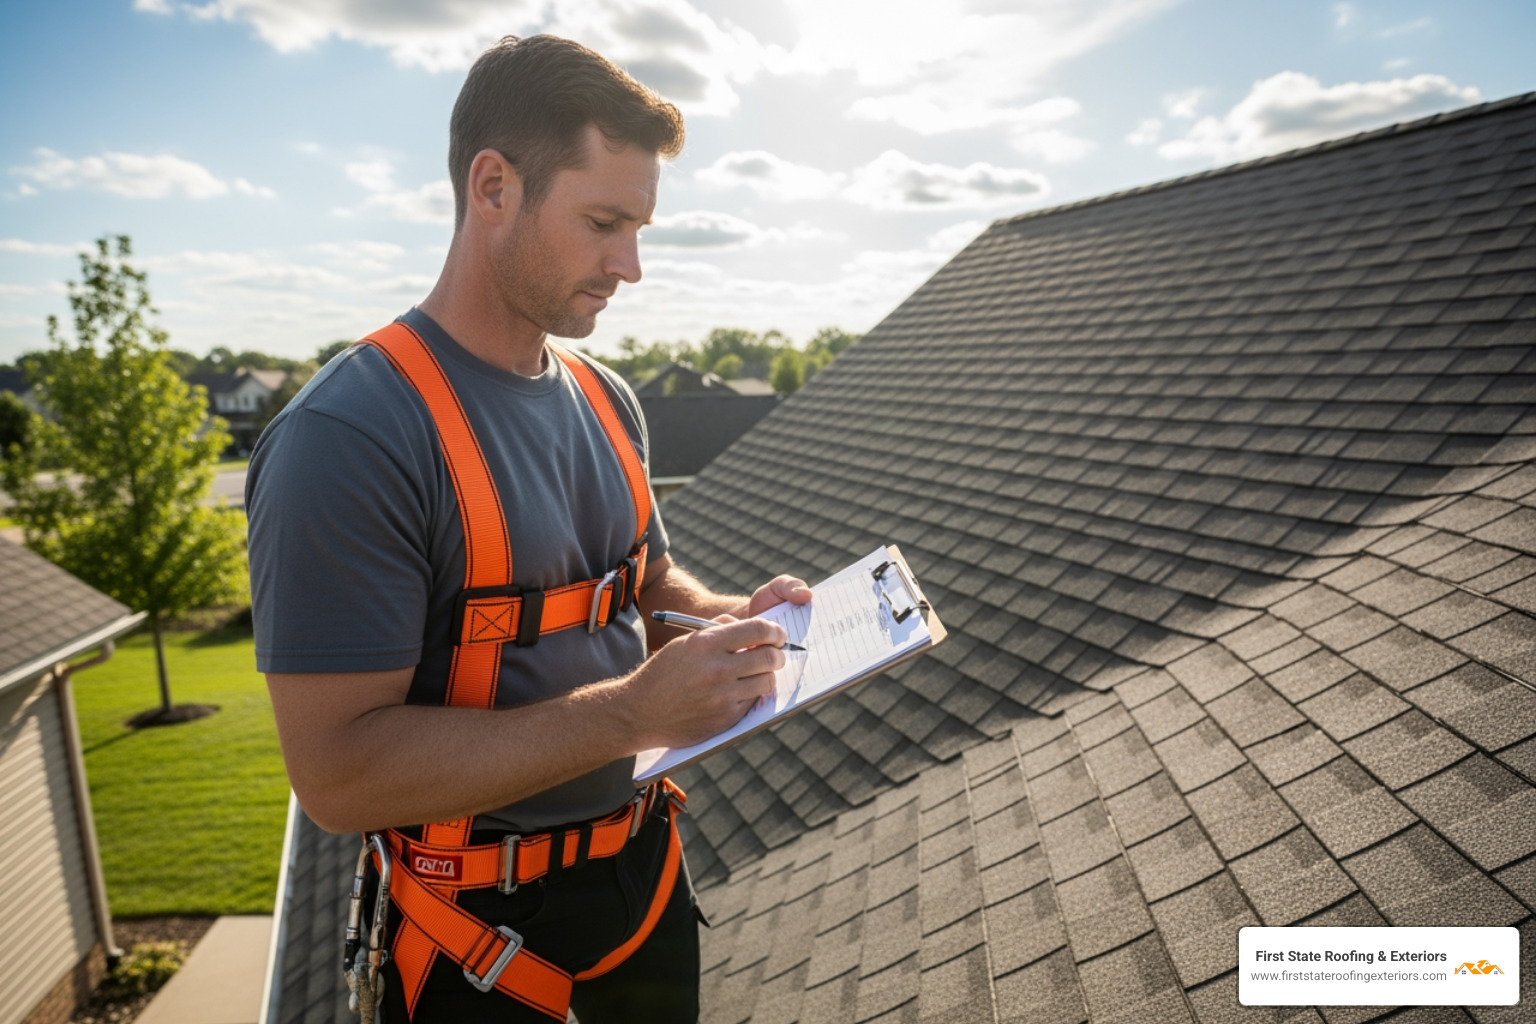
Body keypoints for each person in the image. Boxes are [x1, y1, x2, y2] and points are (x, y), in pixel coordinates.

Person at [246, 34, 810, 1023]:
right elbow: (338, 775)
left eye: (639, 227)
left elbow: (642, 588)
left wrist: (732, 621)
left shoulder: (606, 399)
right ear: (494, 187)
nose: (629, 266)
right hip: (478, 943)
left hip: (643, 898)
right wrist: (632, 715)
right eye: (603, 222)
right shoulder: (351, 436)